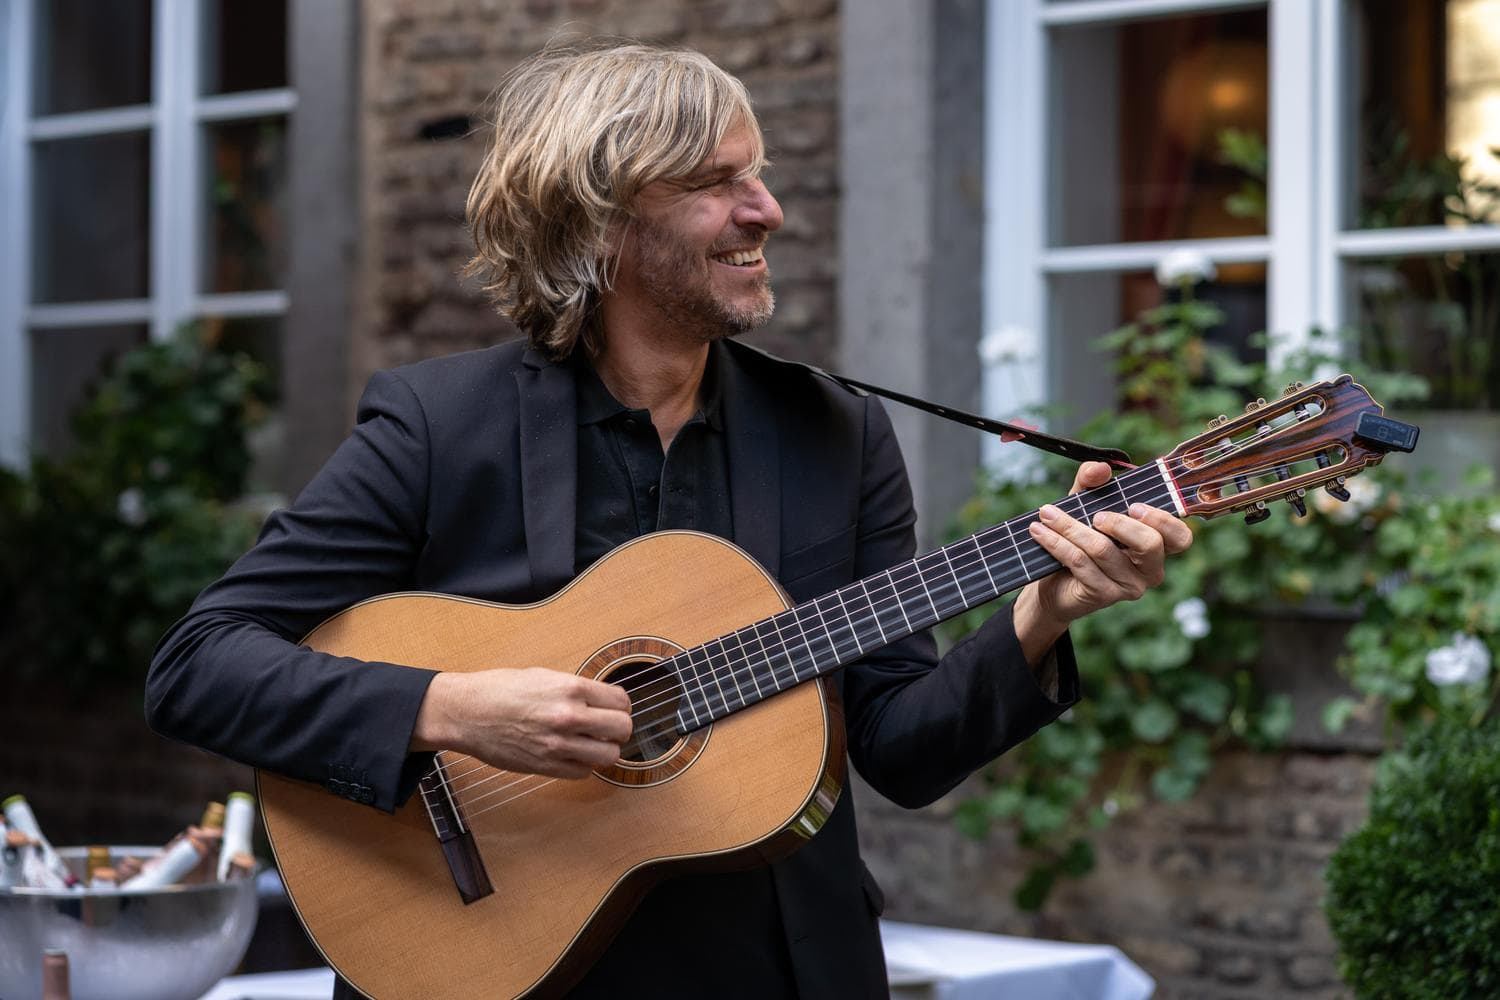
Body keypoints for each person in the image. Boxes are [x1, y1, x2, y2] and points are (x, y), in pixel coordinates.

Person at [146, 41, 1193, 999]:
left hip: (776, 969)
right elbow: (199, 664)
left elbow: (901, 745)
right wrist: (453, 709)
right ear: (599, 222)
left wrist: (1044, 613)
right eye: (714, 183)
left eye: (760, 171)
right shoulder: (439, 427)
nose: (767, 210)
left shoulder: (836, 433)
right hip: (493, 958)